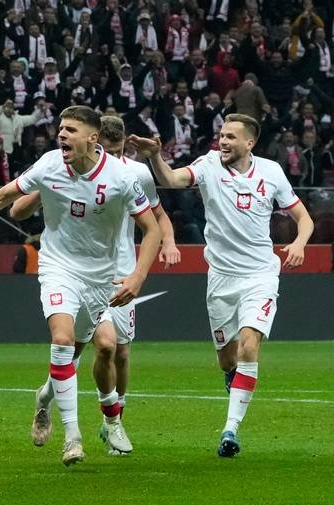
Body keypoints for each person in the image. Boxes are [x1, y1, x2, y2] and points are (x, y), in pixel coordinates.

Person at [0, 106, 162, 466]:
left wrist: (137, 277)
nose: (62, 134)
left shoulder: (122, 177)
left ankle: (44, 397)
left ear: (92, 138)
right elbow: (3, 198)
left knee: (76, 352)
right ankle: (73, 438)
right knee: (61, 340)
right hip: (58, 267)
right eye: (61, 128)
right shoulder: (49, 164)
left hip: (100, 277)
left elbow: (152, 229)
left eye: (71, 129)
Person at [127, 113, 314, 457]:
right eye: (221, 136)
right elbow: (172, 179)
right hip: (221, 280)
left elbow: (304, 218)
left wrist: (300, 243)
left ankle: (230, 430)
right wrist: (155, 156)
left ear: (249, 143)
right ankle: (233, 375)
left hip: (260, 275)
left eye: (230, 137)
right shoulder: (208, 164)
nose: (223, 142)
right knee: (227, 360)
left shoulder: (271, 172)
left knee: (249, 346)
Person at [9, 115, 181, 455]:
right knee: (83, 346)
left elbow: (157, 217)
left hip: (122, 271)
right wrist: (43, 188)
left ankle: (111, 420)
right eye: (108, 150)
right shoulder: (68, 168)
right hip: (78, 270)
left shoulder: (135, 174)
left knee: (116, 350)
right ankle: (64, 406)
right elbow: (17, 208)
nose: (113, 157)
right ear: (96, 141)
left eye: (119, 151)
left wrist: (170, 242)